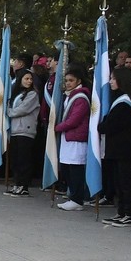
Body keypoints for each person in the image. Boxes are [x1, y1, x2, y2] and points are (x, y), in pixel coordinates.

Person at [100, 67, 131, 225]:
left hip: (126, 151)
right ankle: (121, 212)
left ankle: (130, 214)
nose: (110, 81)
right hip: (118, 151)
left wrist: (100, 124)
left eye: (113, 78)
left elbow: (109, 125)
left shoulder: (124, 103)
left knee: (127, 183)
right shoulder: (119, 100)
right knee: (119, 182)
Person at [53, 67, 91, 210]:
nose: (68, 83)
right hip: (68, 137)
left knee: (75, 169)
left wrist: (57, 127)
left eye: (71, 80)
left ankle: (77, 199)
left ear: (79, 81)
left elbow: (75, 119)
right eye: (67, 80)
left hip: (76, 138)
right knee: (66, 167)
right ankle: (72, 196)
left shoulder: (80, 98)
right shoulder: (69, 95)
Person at [4, 70, 41, 196]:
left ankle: (24, 186)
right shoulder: (17, 94)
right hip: (15, 130)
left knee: (24, 159)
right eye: (26, 78)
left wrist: (8, 112)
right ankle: (17, 184)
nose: (29, 81)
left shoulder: (32, 94)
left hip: (26, 130)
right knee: (15, 159)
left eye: (31, 79)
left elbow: (23, 109)